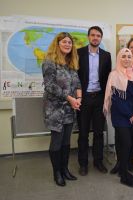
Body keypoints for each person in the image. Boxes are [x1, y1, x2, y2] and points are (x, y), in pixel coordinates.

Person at [42, 32, 82, 186]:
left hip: (70, 109)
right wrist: (70, 98)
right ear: (57, 44)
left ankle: (65, 170)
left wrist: (78, 99)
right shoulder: (49, 62)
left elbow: (77, 83)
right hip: (54, 109)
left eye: (70, 43)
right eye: (64, 42)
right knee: (57, 142)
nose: (67, 45)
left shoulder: (71, 64)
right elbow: (50, 86)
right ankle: (57, 173)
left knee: (66, 142)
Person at [103, 48, 133, 188]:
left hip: (132, 115)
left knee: (121, 142)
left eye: (129, 56)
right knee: (126, 143)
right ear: (119, 58)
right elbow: (116, 100)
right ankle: (124, 176)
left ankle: (120, 167)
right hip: (120, 116)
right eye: (123, 56)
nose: (126, 59)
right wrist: (130, 114)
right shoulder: (114, 75)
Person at [77, 26, 112, 176]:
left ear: (101, 38)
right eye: (93, 35)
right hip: (83, 98)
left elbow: (108, 80)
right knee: (83, 133)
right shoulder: (78, 53)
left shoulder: (106, 55)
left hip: (99, 98)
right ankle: (83, 164)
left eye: (98, 35)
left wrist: (107, 99)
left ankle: (98, 161)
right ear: (88, 37)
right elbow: (75, 76)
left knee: (98, 133)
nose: (95, 38)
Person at [110, 38, 133, 174]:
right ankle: (120, 163)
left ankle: (128, 161)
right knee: (121, 138)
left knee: (132, 136)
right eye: (132, 48)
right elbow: (116, 97)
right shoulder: (116, 73)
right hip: (123, 109)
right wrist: (129, 113)